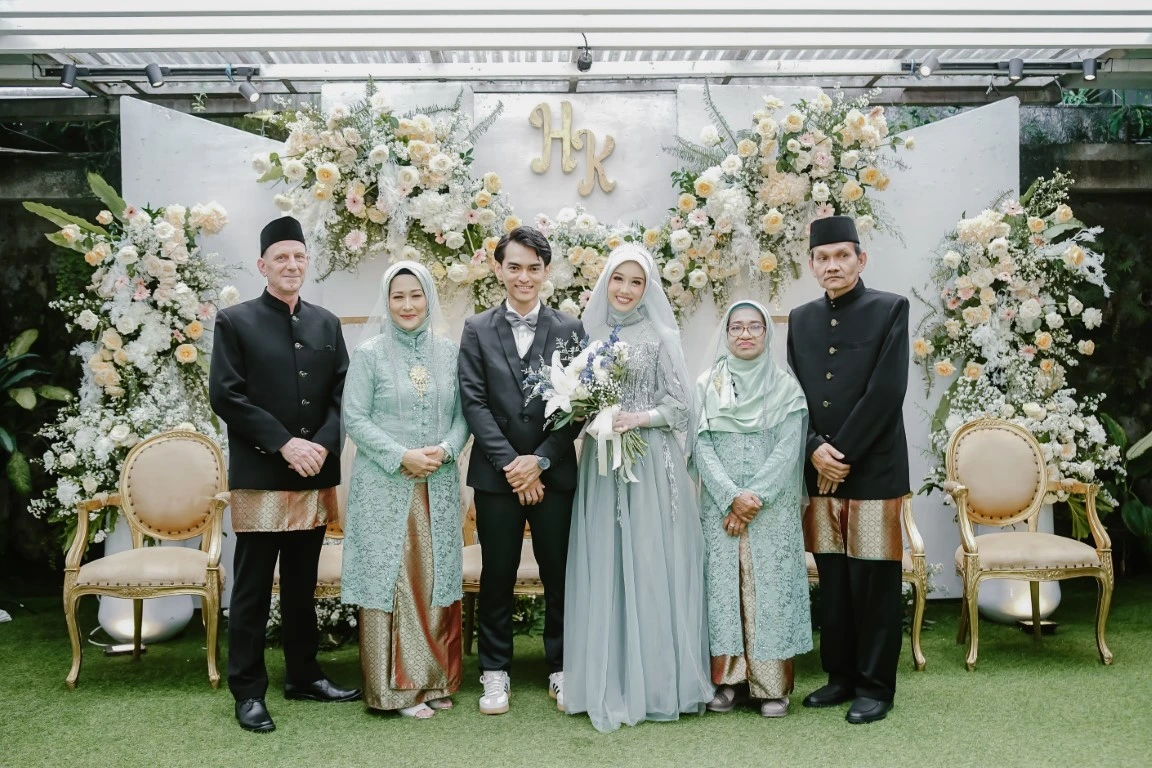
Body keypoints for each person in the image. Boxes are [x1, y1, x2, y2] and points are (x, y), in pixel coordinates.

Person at [209, 216, 361, 734]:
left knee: (301, 583)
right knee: (253, 587)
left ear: (306, 262)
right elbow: (226, 395)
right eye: (281, 258)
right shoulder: (235, 321)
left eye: (298, 256)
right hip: (261, 472)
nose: (291, 265)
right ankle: (248, 690)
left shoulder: (326, 323)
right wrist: (284, 443)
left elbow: (344, 393)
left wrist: (321, 444)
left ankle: (304, 675)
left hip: (314, 471)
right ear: (263, 266)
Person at [564, 243, 713, 734]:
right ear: (605, 282)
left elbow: (682, 407)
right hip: (601, 465)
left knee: (649, 558)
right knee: (606, 560)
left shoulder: (661, 335)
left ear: (648, 288)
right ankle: (607, 678)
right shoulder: (587, 335)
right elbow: (577, 398)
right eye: (618, 279)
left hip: (649, 463)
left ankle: (657, 684)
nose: (626, 289)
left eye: (636, 281)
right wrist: (586, 409)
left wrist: (638, 418)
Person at [786, 215, 911, 725]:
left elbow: (887, 391)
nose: (833, 265)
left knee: (874, 581)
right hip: (819, 471)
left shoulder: (890, 309)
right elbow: (794, 395)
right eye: (823, 257)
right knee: (834, 578)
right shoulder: (800, 319)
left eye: (842, 255)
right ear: (811, 265)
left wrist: (841, 456)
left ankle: (876, 686)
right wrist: (813, 448)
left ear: (861, 259)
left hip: (873, 470)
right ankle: (839, 676)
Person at [457, 226, 584, 715]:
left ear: (546, 272)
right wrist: (513, 465)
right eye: (514, 267)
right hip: (497, 477)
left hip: (554, 475)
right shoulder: (476, 329)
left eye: (533, 268)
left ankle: (562, 667)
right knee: (497, 574)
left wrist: (541, 461)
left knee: (560, 574)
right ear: (498, 269)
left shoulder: (570, 329)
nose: (524, 276)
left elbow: (580, 406)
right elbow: (474, 402)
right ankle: (495, 671)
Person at [340, 261, 470, 719]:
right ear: (387, 301)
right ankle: (395, 691)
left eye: (416, 295)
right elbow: (354, 418)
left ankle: (433, 680)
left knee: (435, 578)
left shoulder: (448, 353)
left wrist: (447, 450)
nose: (408, 305)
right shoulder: (370, 354)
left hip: (438, 484)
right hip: (386, 486)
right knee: (395, 582)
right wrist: (402, 456)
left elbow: (463, 415)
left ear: (429, 298)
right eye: (398, 296)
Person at [693, 300, 812, 719]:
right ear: (726, 334)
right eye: (736, 327)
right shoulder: (707, 385)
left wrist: (751, 500)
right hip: (719, 508)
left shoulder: (785, 387)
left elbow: (788, 450)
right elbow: (700, 446)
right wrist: (731, 497)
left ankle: (771, 685)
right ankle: (728, 681)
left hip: (771, 510)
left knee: (769, 589)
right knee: (723, 589)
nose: (745, 334)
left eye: (754, 326)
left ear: (767, 333)